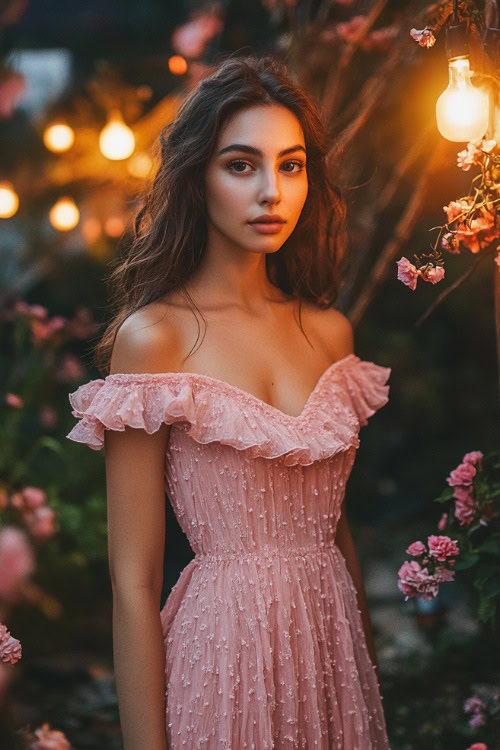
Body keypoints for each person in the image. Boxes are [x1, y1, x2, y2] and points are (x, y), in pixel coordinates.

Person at [66, 53, 391, 750]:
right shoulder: (155, 338)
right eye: (241, 164)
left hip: (330, 660)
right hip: (222, 665)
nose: (271, 190)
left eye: (292, 165)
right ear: (197, 178)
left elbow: (334, 533)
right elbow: (134, 581)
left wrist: (363, 684)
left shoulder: (330, 332)